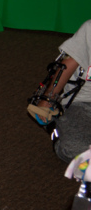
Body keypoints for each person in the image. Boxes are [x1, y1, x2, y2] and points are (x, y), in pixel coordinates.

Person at [28, 20, 91, 163]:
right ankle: (56, 127)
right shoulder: (90, 28)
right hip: (84, 103)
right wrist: (48, 98)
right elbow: (68, 64)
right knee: (73, 148)